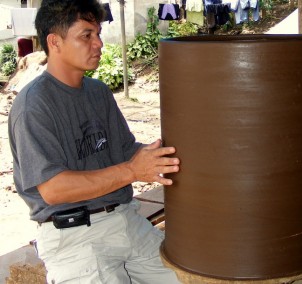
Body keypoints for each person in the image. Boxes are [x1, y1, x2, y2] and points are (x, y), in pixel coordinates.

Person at [8, 0, 181, 283]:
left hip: (126, 219)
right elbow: (54, 189)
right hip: (75, 237)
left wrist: (168, 156)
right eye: (86, 35)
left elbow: (125, 151)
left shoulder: (98, 92)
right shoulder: (33, 105)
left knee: (187, 276)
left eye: (98, 34)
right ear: (55, 42)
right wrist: (133, 171)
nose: (98, 43)